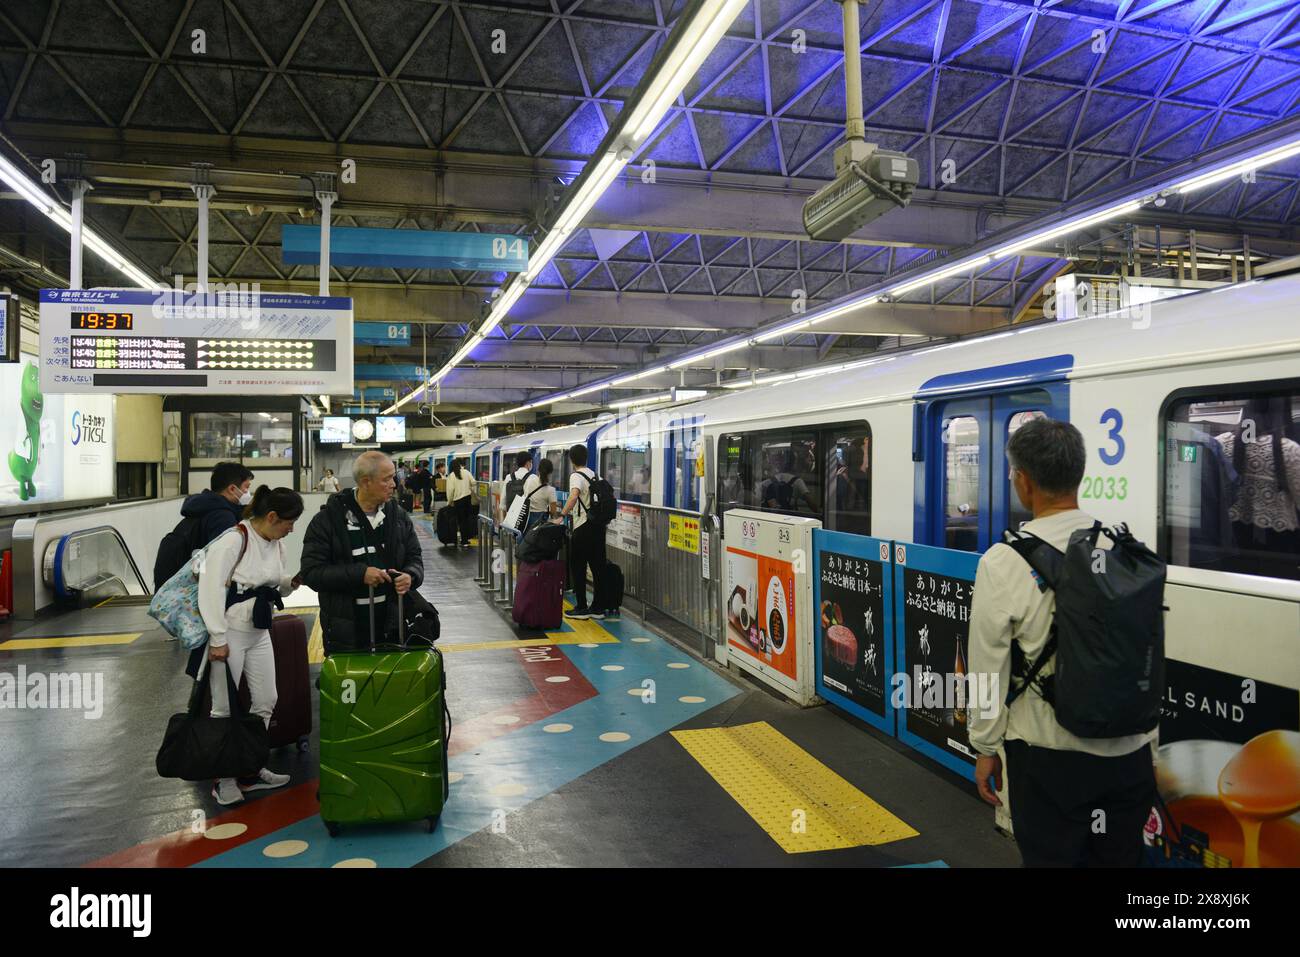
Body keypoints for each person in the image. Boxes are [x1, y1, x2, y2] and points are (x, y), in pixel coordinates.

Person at [968, 417, 1157, 867]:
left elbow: (985, 666)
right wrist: (1150, 743)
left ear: (1024, 481)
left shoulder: (1004, 561)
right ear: (1080, 475)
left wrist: (984, 746)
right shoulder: (1125, 550)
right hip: (1127, 756)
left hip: (1048, 761)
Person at [198, 486, 305, 807]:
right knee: (223, 707)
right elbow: (210, 589)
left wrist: (288, 583)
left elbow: (271, 584)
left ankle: (250, 768)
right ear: (271, 516)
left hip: (258, 630)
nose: (291, 528)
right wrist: (217, 638)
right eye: (289, 521)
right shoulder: (233, 540)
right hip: (228, 632)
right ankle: (224, 779)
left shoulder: (276, 544)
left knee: (266, 699)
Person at [300, 451, 423, 655]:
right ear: (366, 482)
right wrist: (360, 574)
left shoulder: (398, 517)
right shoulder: (327, 521)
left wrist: (411, 575)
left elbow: (414, 557)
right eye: (387, 479)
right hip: (346, 629)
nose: (394, 484)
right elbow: (311, 573)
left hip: (394, 626)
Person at [556, 444, 608, 620]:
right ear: (586, 458)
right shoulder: (594, 474)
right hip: (598, 527)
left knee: (577, 566)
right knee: (598, 567)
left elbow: (573, 496)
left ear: (572, 460)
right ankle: (598, 608)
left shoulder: (576, 476)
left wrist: (562, 515)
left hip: (583, 526)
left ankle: (581, 607)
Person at [182, 462, 255, 547]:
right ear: (232, 489)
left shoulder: (205, 505)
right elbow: (225, 555)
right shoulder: (222, 517)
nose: (247, 492)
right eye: (246, 487)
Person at [444, 458, 476, 548]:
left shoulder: (451, 476)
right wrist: (468, 487)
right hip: (468, 499)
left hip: (458, 501)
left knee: (460, 521)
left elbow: (450, 491)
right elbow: (474, 482)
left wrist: (449, 502)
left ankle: (463, 540)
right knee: (466, 519)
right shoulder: (466, 472)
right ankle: (466, 539)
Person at [523, 458, 559, 531]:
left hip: (526, 518)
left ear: (538, 469)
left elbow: (525, 493)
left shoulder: (530, 479)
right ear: (550, 473)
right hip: (540, 521)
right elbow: (553, 513)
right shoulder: (551, 490)